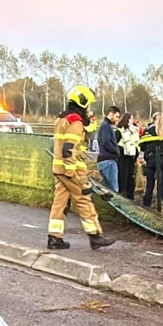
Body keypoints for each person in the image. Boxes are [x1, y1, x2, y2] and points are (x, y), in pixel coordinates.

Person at [48, 85, 116, 250]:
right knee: (84, 199)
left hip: (59, 168)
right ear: (83, 102)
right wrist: (72, 171)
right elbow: (69, 148)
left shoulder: (62, 119)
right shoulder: (76, 122)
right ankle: (95, 236)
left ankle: (54, 238)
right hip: (72, 169)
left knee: (60, 202)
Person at [140, 112, 163, 211]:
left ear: (152, 119)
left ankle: (146, 205)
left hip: (151, 160)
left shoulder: (148, 130)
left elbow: (142, 146)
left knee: (150, 184)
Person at [96, 106, 122, 192]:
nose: (117, 120)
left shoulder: (105, 126)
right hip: (108, 161)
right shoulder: (106, 126)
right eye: (117, 117)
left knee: (106, 189)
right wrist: (116, 152)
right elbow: (106, 142)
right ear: (111, 114)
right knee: (113, 189)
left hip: (105, 160)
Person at [116, 112, 141, 200]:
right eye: (131, 119)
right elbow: (116, 143)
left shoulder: (134, 131)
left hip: (132, 157)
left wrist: (137, 153)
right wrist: (121, 151)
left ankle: (130, 196)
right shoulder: (120, 130)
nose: (132, 120)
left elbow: (137, 143)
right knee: (123, 177)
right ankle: (122, 195)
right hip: (123, 157)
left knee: (131, 178)